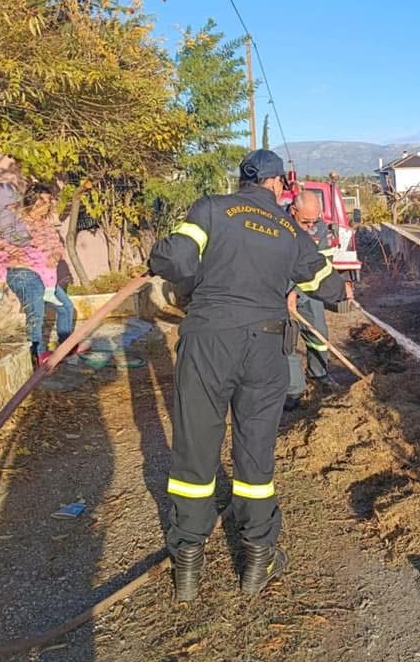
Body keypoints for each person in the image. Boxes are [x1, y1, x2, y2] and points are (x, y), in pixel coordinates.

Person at [147, 149, 348, 601]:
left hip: (208, 343)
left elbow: (176, 261)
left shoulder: (210, 208)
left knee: (195, 451)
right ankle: (257, 560)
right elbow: (328, 286)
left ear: (242, 181)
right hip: (265, 349)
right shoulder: (290, 229)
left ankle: (188, 568)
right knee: (255, 456)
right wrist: (339, 290)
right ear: (277, 185)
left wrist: (155, 258)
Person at [0, 184, 79, 366]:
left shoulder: (47, 226)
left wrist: (55, 256)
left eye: (48, 202)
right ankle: (37, 357)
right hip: (22, 273)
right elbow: (4, 252)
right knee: (36, 314)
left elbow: (57, 247)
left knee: (66, 307)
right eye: (41, 200)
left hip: (44, 276)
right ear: (31, 200)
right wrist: (0, 282)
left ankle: (65, 349)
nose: (45, 205)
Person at [283, 190, 335, 410]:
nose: (310, 226)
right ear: (293, 211)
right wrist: (291, 291)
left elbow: (324, 260)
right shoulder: (278, 225)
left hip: (308, 292)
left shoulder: (320, 228)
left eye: (314, 221)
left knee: (318, 334)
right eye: (305, 221)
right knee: (287, 341)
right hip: (283, 292)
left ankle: (319, 373)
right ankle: (294, 390)